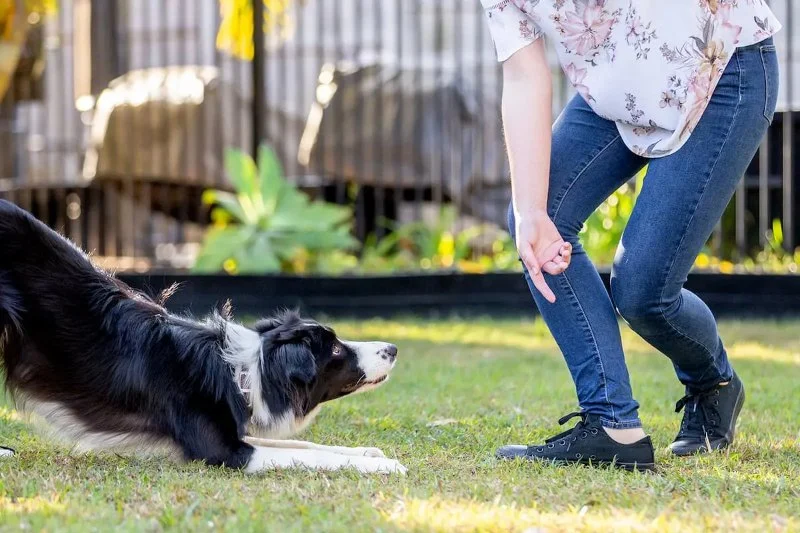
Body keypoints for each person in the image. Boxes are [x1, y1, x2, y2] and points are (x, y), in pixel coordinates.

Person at [480, 0, 781, 471]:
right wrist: (531, 209)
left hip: (719, 67)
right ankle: (611, 423)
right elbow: (523, 75)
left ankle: (713, 383)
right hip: (618, 91)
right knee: (536, 226)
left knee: (643, 293)